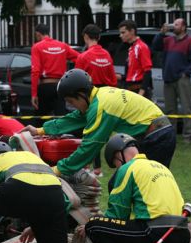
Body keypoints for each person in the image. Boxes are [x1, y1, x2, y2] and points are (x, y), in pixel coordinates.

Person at [22, 69, 176, 185]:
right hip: (156, 134)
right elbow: (75, 118)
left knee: (146, 185)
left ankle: (166, 216)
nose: (72, 106)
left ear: (81, 95)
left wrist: (58, 169)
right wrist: (40, 130)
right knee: (130, 183)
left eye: (72, 102)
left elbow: (89, 147)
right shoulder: (98, 96)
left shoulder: (101, 107)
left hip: (157, 137)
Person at [81, 133, 191, 243]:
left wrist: (94, 223)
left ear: (118, 155)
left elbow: (117, 213)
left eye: (115, 164)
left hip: (155, 235)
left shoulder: (128, 169)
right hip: (181, 237)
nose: (117, 168)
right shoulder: (160, 167)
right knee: (155, 224)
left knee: (94, 226)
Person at [75, 23, 117, 176]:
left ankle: (90, 167)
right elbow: (113, 80)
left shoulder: (83, 56)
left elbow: (76, 79)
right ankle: (96, 168)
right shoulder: (107, 55)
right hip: (107, 95)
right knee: (100, 130)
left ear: (86, 37)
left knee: (89, 131)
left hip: (90, 96)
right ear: (98, 37)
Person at [152, 19, 191, 145]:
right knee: (170, 110)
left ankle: (188, 137)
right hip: (168, 79)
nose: (173, 26)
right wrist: (161, 33)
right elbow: (155, 46)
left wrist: (186, 72)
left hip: (182, 79)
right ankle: (170, 136)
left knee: (186, 109)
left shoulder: (190, 41)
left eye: (177, 24)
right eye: (173, 24)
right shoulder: (168, 40)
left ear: (183, 27)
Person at [30, 23, 80, 116]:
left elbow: (35, 71)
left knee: (41, 119)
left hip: (45, 87)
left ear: (38, 34)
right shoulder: (62, 46)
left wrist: (34, 94)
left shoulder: (37, 47)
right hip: (60, 86)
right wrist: (73, 75)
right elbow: (80, 58)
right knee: (60, 118)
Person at [117, 20, 153, 99]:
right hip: (130, 88)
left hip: (138, 89)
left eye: (123, 32)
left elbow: (147, 71)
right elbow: (132, 73)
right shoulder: (131, 48)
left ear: (132, 31)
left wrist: (141, 93)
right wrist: (120, 77)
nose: (120, 35)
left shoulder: (141, 47)